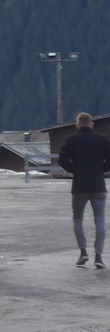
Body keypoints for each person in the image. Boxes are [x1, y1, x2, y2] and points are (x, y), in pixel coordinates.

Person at [58, 112, 110, 268]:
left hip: (80, 186)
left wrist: (75, 170)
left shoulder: (70, 140)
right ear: (92, 125)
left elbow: (62, 161)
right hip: (98, 185)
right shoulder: (102, 140)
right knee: (99, 220)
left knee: (78, 218)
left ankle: (83, 253)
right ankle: (99, 256)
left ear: (77, 125)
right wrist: (102, 169)